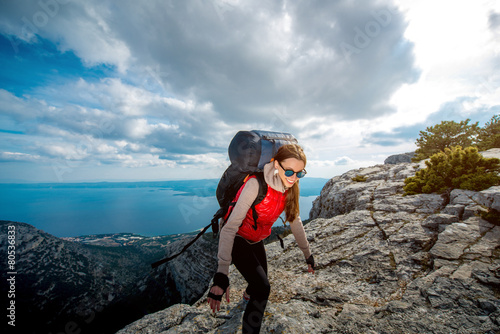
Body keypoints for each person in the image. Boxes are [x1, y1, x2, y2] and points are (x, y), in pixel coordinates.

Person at [207, 143, 315, 333]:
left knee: (258, 285)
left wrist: (307, 254)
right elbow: (229, 228)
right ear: (275, 164)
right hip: (238, 238)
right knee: (263, 288)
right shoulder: (255, 184)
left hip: (256, 239)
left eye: (300, 173)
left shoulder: (290, 188)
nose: (294, 178)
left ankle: (248, 295)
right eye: (290, 172)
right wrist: (222, 274)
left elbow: (295, 221)